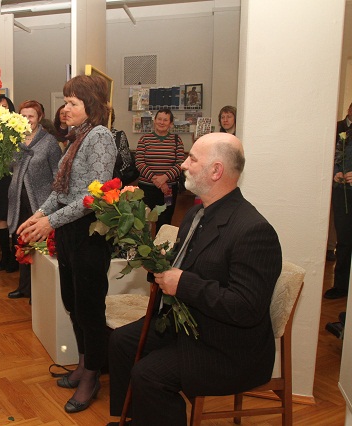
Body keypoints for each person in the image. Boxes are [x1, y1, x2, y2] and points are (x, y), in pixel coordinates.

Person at [107, 132, 283, 426]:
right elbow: (182, 266)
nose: (183, 165)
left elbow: (246, 308)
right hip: (190, 325)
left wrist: (182, 283)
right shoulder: (195, 214)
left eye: (192, 159)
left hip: (228, 348)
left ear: (216, 171)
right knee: (121, 342)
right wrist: (156, 265)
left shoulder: (253, 231)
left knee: (148, 375)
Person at [17, 75, 116, 413]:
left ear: (91, 105)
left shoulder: (99, 136)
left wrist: (49, 222)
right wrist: (39, 215)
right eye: (65, 101)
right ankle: (84, 365)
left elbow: (94, 197)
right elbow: (61, 191)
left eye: (73, 102)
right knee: (73, 303)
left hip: (89, 234)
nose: (65, 108)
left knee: (89, 310)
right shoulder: (77, 137)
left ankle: (92, 376)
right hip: (70, 232)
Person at [6, 100, 62, 299]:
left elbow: (58, 174)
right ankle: (24, 287)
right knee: (22, 243)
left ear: (39, 117)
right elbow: (8, 167)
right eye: (23, 116)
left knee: (39, 245)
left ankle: (39, 294)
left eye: (31, 116)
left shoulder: (49, 142)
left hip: (40, 202)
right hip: (18, 201)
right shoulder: (13, 139)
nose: (27, 119)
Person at [135, 108, 185, 232]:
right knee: (142, 223)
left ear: (171, 124)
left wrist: (164, 178)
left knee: (164, 223)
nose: (161, 122)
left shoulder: (177, 140)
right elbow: (139, 163)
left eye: (165, 120)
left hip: (168, 190)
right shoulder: (144, 139)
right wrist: (157, 180)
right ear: (154, 121)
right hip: (146, 189)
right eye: (159, 119)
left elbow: (180, 164)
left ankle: (161, 245)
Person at [0, 94, 18, 272]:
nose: (2, 110)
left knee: (14, 216)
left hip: (14, 178)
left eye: (5, 107)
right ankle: (5, 254)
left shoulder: (17, 127)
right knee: (1, 217)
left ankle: (15, 256)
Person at [327, 116, 352, 299]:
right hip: (342, 192)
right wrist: (336, 173)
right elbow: (337, 157)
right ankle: (341, 285)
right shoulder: (346, 134)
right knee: (343, 241)